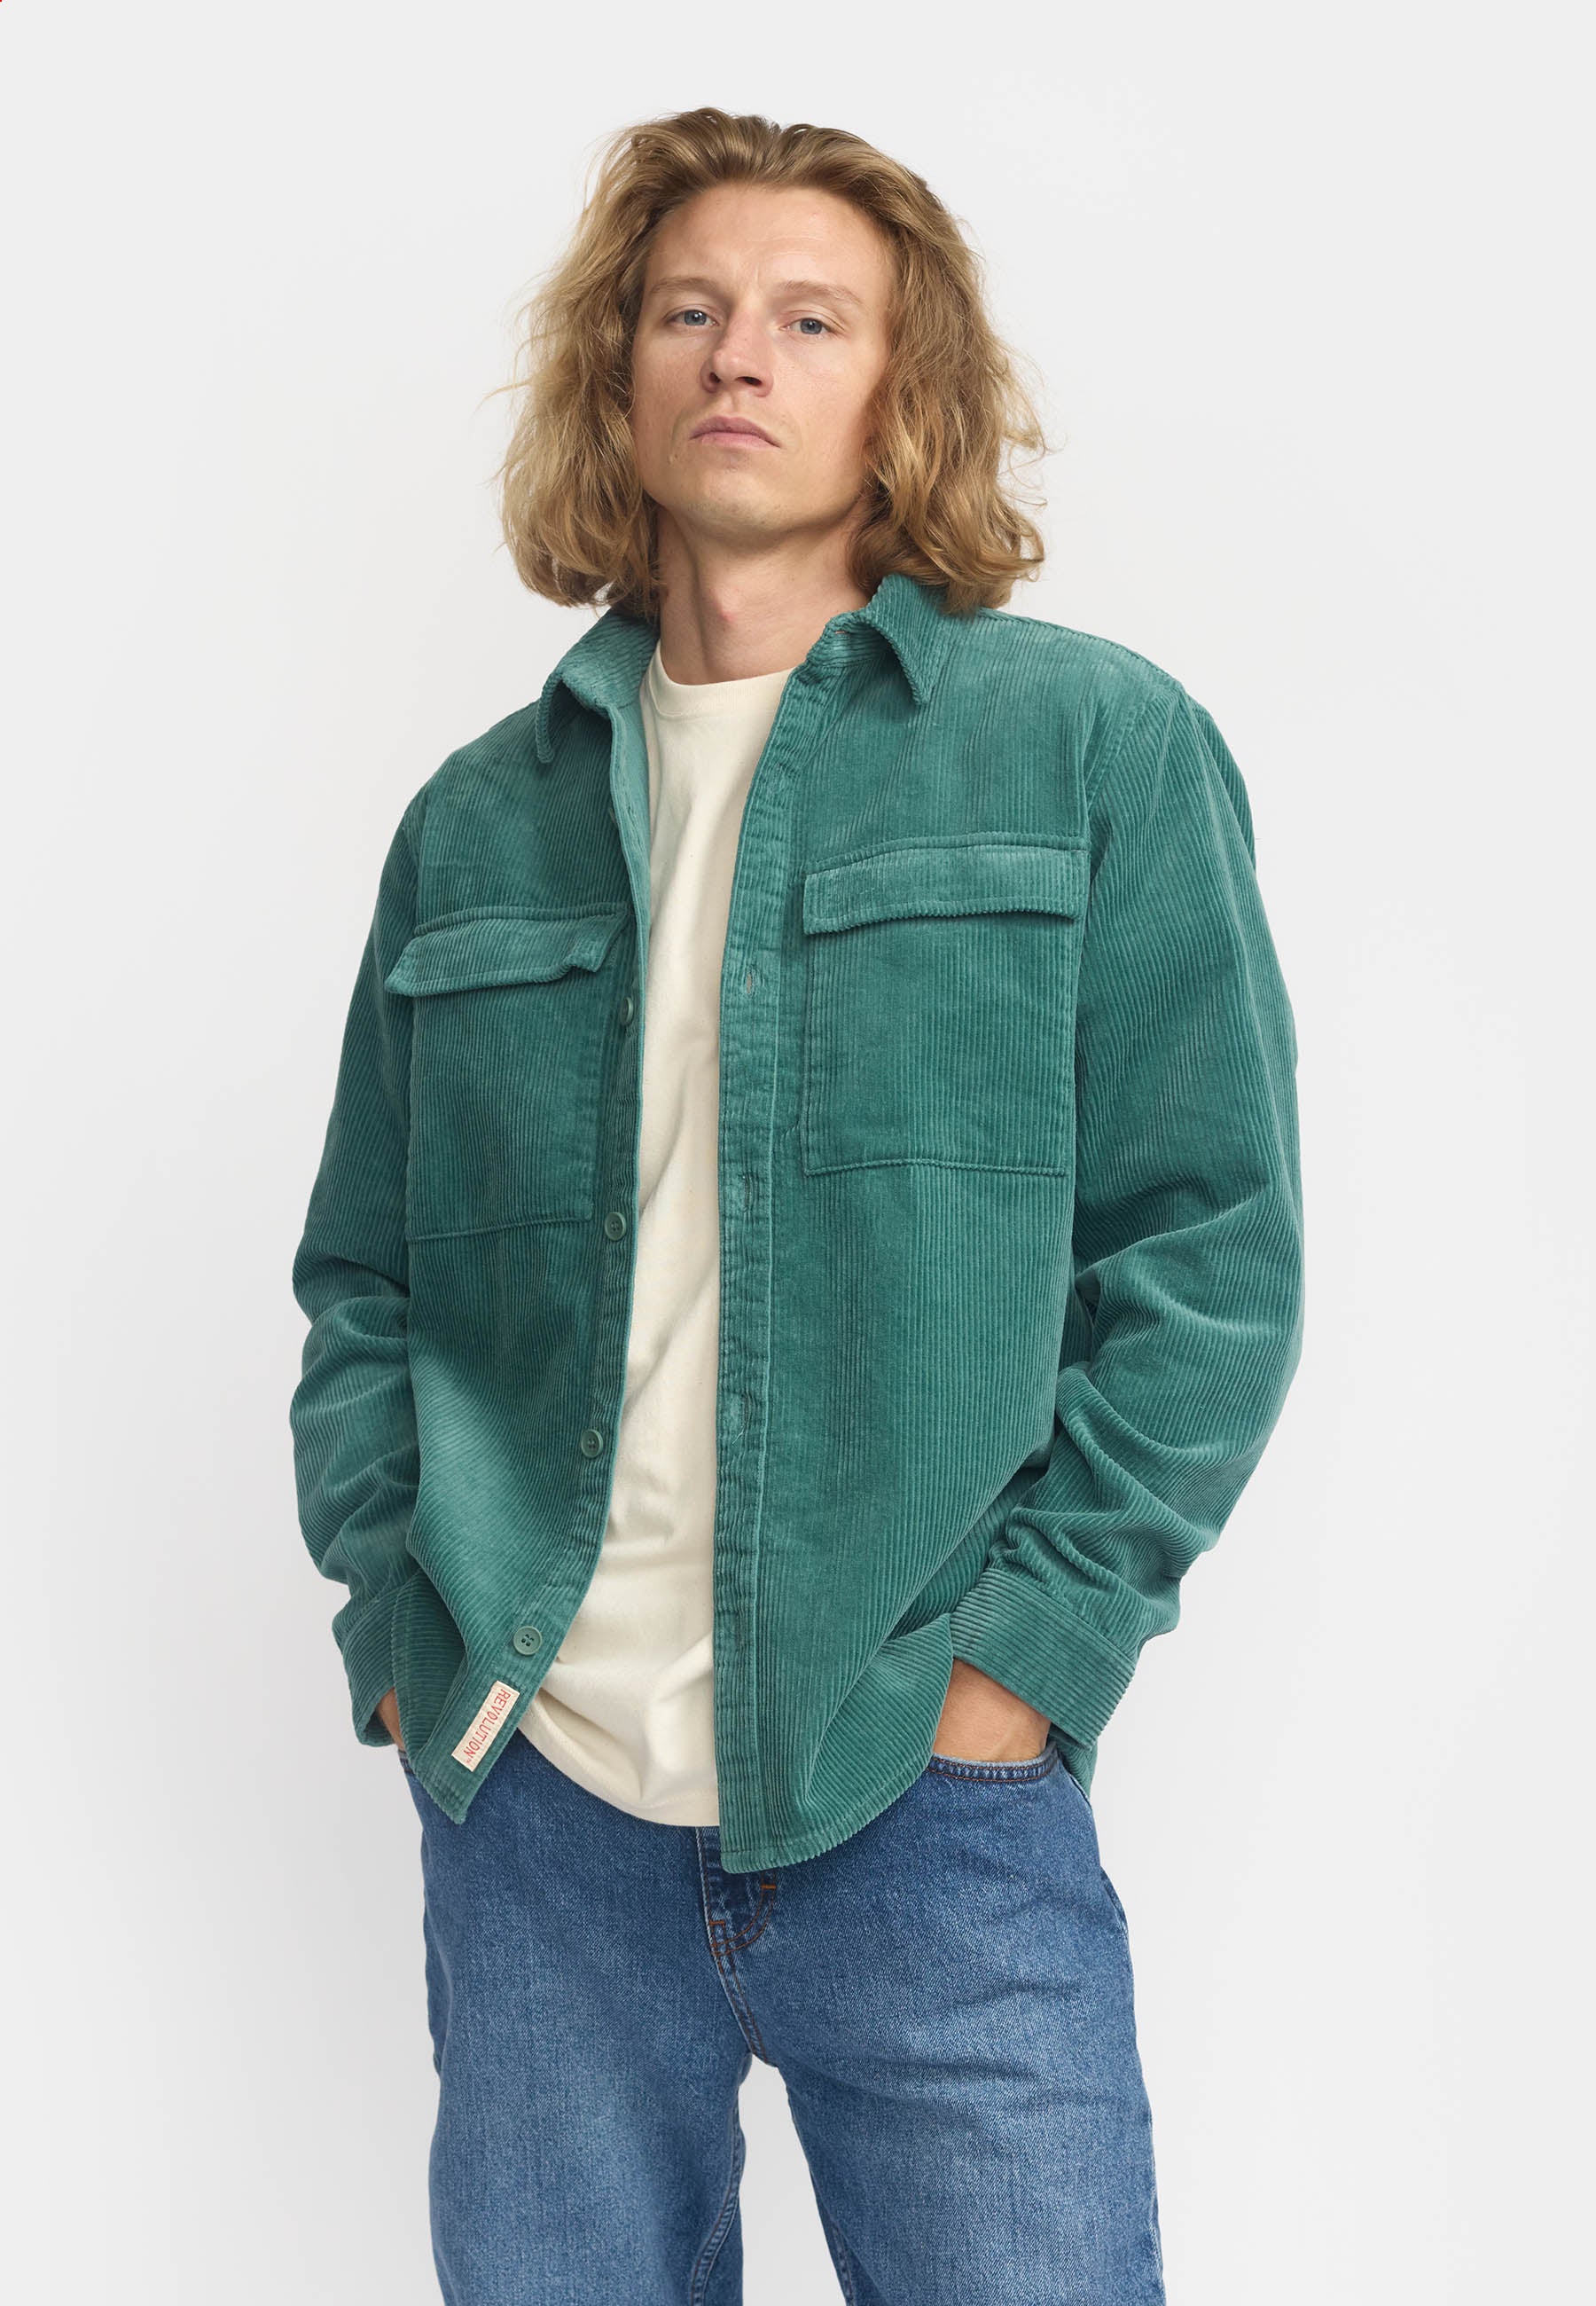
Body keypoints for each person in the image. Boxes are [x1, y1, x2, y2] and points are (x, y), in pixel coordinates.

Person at [289, 105, 1304, 2306]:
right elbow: (366, 1275)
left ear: (899, 391)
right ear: (622, 373)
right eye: (690, 309)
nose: (740, 353)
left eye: (811, 318)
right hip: (540, 1806)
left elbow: (1209, 1252)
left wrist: (1028, 1661)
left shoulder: (1090, 745)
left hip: (920, 1781)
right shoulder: (477, 822)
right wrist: (401, 1625)